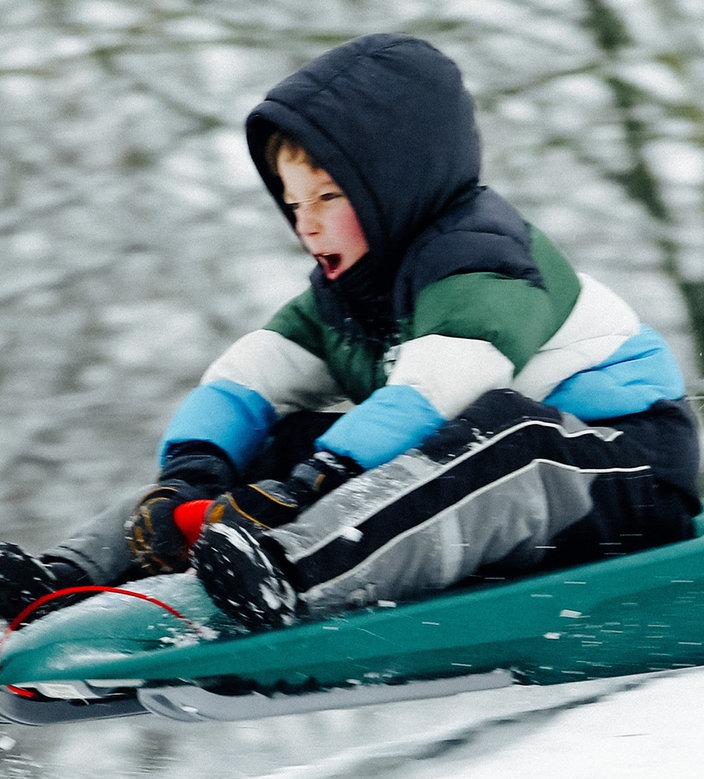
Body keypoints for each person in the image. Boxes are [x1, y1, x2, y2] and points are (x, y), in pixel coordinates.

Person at [0, 33, 700, 629]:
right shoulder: (345, 294)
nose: (306, 222)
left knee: (508, 434)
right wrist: (191, 476)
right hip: (478, 483)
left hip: (622, 473)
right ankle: (68, 581)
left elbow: (437, 392)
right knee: (273, 439)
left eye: (330, 197)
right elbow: (252, 377)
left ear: (392, 189)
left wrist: (319, 480)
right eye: (295, 201)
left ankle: (289, 573)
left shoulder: (484, 256)